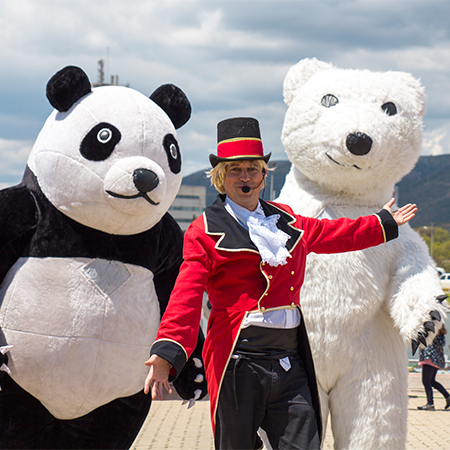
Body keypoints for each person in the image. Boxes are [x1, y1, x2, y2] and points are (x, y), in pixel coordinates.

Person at [144, 117, 417, 450]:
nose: (245, 177)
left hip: (289, 358)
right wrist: (167, 351)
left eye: (252, 169)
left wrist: (382, 223)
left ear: (263, 174)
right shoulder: (204, 230)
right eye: (235, 170)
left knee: (304, 443)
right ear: (221, 177)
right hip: (237, 360)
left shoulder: (286, 220)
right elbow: (186, 294)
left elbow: (333, 234)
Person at [417, 324, 450, 411]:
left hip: (429, 358)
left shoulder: (431, 333)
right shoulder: (440, 335)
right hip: (436, 359)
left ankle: (430, 403)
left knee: (426, 381)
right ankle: (448, 397)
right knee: (432, 381)